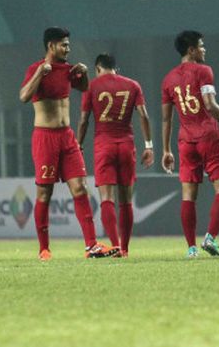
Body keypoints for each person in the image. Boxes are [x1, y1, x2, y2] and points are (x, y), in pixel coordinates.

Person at [19, 27, 119, 260]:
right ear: (51, 46)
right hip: (45, 137)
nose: (68, 48)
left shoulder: (66, 69)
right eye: (63, 44)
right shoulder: (36, 69)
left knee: (81, 188)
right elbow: (23, 96)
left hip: (67, 137)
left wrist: (83, 74)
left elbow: (83, 88)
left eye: (68, 44)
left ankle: (91, 245)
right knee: (44, 193)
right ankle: (44, 249)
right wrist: (39, 75)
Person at [161, 30, 219, 258]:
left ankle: (191, 248)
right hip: (209, 136)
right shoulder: (204, 70)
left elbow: (166, 118)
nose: (204, 50)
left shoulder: (168, 79)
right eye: (201, 46)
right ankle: (210, 238)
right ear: (191, 50)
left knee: (187, 195)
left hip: (185, 140)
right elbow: (210, 105)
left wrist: (165, 149)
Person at [76, 54, 154, 257]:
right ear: (115, 68)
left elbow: (84, 120)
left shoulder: (92, 86)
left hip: (104, 145)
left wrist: (78, 145)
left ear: (97, 68)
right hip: (126, 145)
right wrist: (149, 145)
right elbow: (144, 115)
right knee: (126, 200)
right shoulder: (132, 85)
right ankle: (125, 249)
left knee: (106, 198)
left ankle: (115, 246)